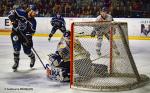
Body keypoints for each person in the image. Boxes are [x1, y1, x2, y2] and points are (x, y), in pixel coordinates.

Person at [8, 5, 37, 71]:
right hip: (15, 33)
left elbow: (31, 32)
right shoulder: (21, 12)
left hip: (25, 37)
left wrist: (29, 39)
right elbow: (11, 12)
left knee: (27, 51)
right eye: (34, 12)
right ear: (30, 11)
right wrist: (13, 19)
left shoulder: (33, 22)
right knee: (16, 48)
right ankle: (16, 62)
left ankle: (32, 57)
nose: (35, 13)